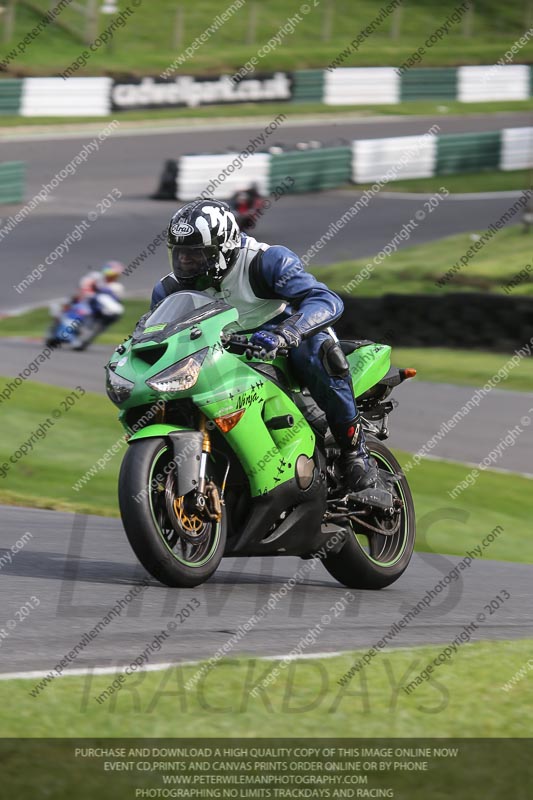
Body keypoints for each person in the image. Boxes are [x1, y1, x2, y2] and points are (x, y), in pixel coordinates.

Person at [151, 200, 382, 493]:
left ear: (223, 249)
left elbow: (325, 299)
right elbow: (158, 336)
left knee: (317, 353)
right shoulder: (169, 290)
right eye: (180, 253)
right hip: (222, 356)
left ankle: (356, 456)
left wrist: (288, 333)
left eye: (196, 255)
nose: (185, 262)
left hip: (283, 344)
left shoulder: (266, 261)